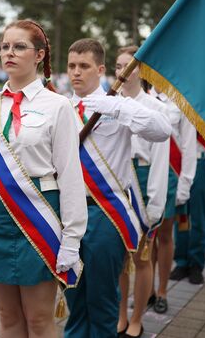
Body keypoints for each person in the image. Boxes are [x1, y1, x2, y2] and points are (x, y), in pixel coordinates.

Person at [0, 20, 86, 338]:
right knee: (7, 317)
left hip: (38, 213)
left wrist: (73, 238)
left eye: (19, 46)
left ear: (39, 55)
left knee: (38, 320)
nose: (10, 52)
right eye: (5, 46)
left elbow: (70, 173)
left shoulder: (58, 106)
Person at [64, 38, 171, 338]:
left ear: (100, 70)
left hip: (104, 214)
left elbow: (162, 131)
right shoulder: (59, 107)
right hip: (68, 214)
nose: (76, 72)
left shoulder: (119, 105)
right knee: (73, 296)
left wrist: (117, 107)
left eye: (84, 66)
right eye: (72, 66)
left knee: (102, 299)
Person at [115, 46, 170, 338]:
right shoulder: (111, 104)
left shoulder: (156, 109)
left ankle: (138, 317)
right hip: (118, 181)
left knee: (142, 257)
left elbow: (160, 162)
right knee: (121, 258)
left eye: (128, 65)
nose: (122, 71)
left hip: (144, 180)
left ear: (141, 70)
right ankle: (122, 314)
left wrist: (154, 204)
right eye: (117, 65)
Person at [149, 86, 197, 311]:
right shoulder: (141, 97)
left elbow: (188, 146)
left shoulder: (180, 101)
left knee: (165, 235)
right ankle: (146, 287)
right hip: (146, 173)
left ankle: (162, 291)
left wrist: (185, 184)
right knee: (146, 238)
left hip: (171, 175)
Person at [170, 133, 205, 285]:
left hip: (201, 159)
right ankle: (181, 262)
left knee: (199, 216)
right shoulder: (179, 107)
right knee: (181, 215)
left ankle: (196, 264)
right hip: (179, 160)